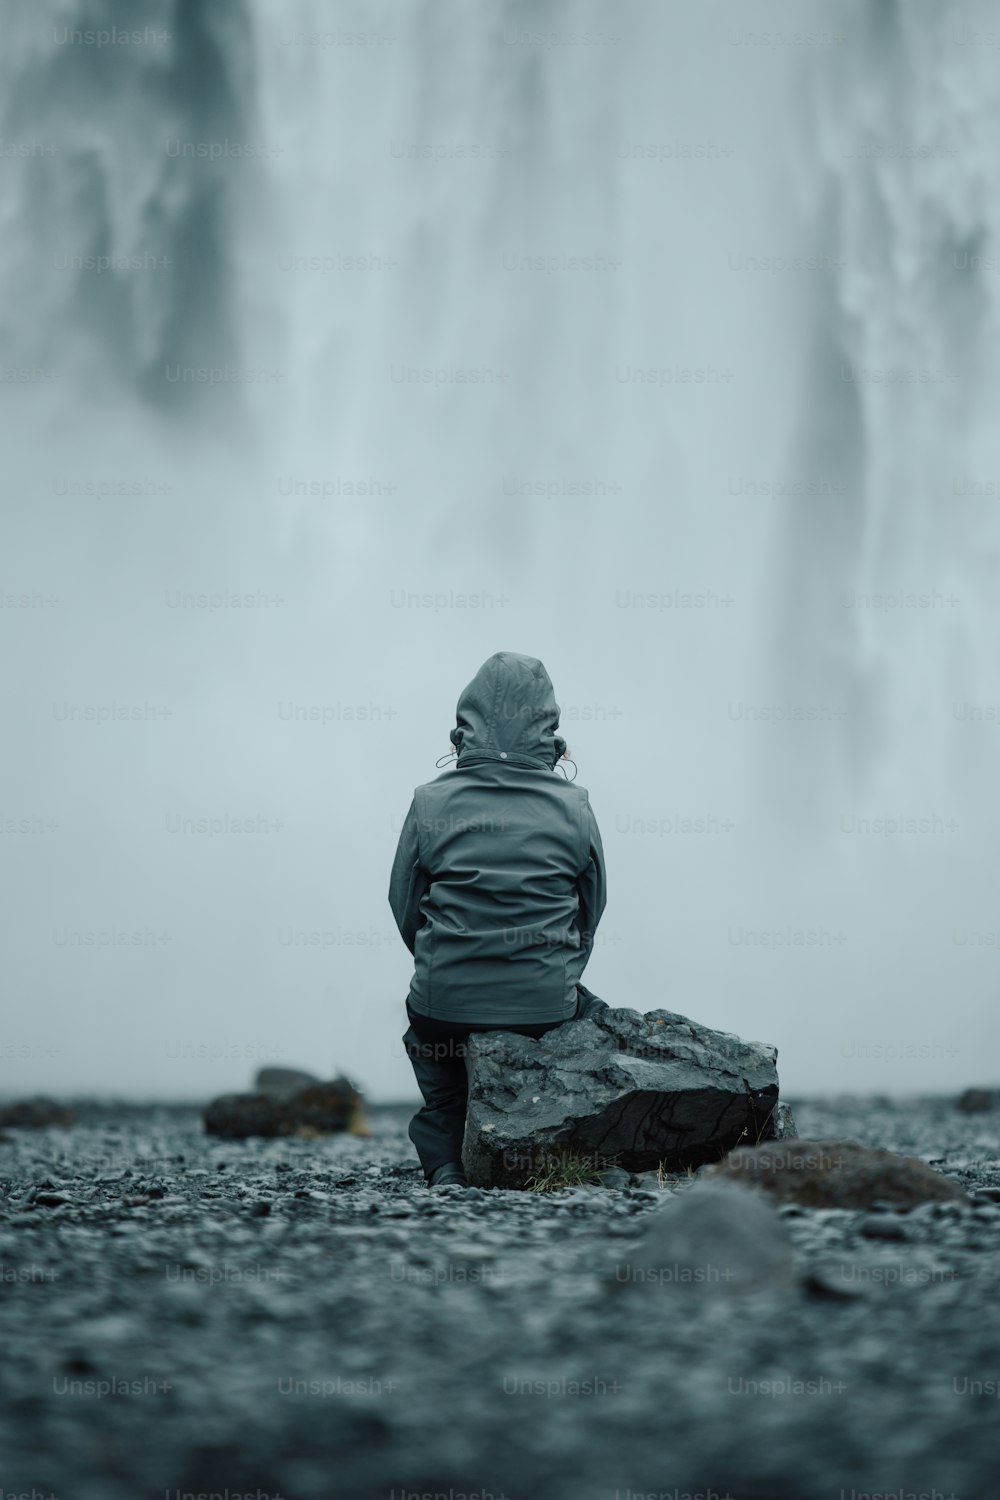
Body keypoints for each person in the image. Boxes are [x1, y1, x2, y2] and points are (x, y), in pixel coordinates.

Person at [388, 651, 608, 1188]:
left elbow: (403, 903)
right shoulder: (575, 806)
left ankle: (445, 1162)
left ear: (466, 723)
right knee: (596, 1017)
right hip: (543, 1005)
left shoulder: (428, 801)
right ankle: (550, 1139)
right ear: (547, 728)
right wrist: (560, 968)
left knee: (431, 1048)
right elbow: (592, 908)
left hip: (445, 1002)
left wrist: (446, 955)